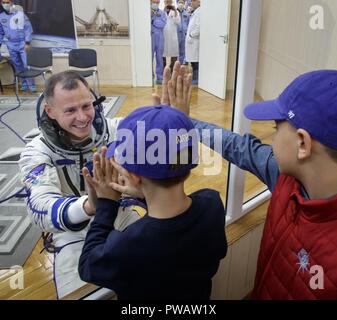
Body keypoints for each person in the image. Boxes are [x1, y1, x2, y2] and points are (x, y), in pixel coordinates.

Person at [184, 69, 337, 299]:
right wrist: (187, 123)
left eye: (276, 128)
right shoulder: (285, 177)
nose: (272, 138)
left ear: (303, 143)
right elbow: (237, 146)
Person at [78, 104, 227, 300]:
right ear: (189, 163)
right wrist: (143, 195)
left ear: (132, 175)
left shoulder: (129, 245)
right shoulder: (212, 204)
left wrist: (106, 205)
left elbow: (88, 264)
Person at [18, 71, 143, 298]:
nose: (83, 117)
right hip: (74, 235)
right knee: (83, 294)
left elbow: (159, 136)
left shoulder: (116, 130)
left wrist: (173, 118)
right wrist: (89, 206)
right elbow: (39, 207)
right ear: (50, 111)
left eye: (86, 105)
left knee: (155, 277)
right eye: (70, 110)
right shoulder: (37, 151)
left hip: (122, 218)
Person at [0, 0, 36, 92]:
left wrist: (27, 42)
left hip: (22, 43)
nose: (5, 4)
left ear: (11, 2)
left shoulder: (20, 14)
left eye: (7, 2)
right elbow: (1, 32)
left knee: (26, 64)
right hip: (11, 44)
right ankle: (23, 84)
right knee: (17, 65)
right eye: (3, 2)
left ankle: (32, 86)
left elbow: (28, 28)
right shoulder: (1, 17)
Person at [151, 0, 167, 85]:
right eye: (154, 2)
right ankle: (150, 76)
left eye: (157, 2)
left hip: (160, 37)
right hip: (150, 37)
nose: (155, 4)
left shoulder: (162, 13)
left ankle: (160, 77)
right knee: (149, 57)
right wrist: (151, 16)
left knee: (159, 57)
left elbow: (163, 24)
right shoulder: (147, 12)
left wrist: (153, 21)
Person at [162, 0, 181, 72]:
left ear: (172, 2)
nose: (168, 3)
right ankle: (164, 70)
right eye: (166, 2)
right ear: (164, 2)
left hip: (172, 36)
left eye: (169, 2)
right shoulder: (161, 11)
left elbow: (178, 22)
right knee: (162, 54)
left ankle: (173, 70)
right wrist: (164, 11)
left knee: (174, 53)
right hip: (163, 36)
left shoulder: (175, 12)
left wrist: (175, 13)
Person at [185, 0, 200, 85]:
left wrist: (191, 35)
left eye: (194, 1)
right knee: (193, 61)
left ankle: (196, 79)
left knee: (195, 62)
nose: (191, 3)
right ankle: (195, 78)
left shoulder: (199, 12)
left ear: (199, 2)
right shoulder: (195, 12)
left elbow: (198, 27)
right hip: (192, 41)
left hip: (194, 40)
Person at [177, 0, 190, 64]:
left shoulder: (186, 14)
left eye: (182, 3)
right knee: (176, 50)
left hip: (184, 34)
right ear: (177, 3)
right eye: (180, 2)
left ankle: (182, 63)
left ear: (184, 3)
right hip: (176, 34)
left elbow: (188, 23)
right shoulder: (174, 12)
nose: (181, 4)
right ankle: (176, 64)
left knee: (183, 50)